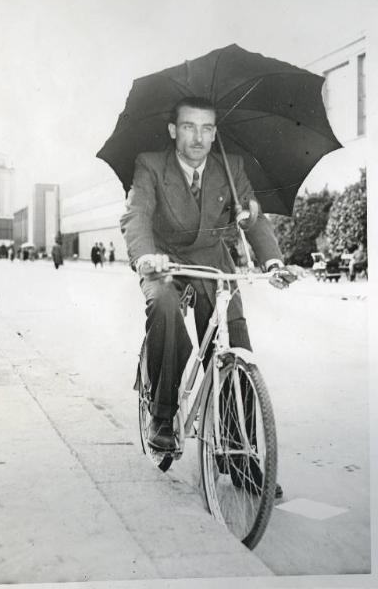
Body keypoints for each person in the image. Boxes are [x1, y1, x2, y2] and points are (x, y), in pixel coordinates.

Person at [120, 97, 294, 491]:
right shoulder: (150, 164)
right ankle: (163, 417)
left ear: (215, 132)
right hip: (165, 261)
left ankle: (239, 456)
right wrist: (146, 256)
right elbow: (137, 214)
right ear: (172, 130)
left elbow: (253, 216)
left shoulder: (230, 168)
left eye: (206, 129)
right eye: (188, 127)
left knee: (236, 347)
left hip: (214, 264)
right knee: (163, 306)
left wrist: (273, 263)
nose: (198, 138)